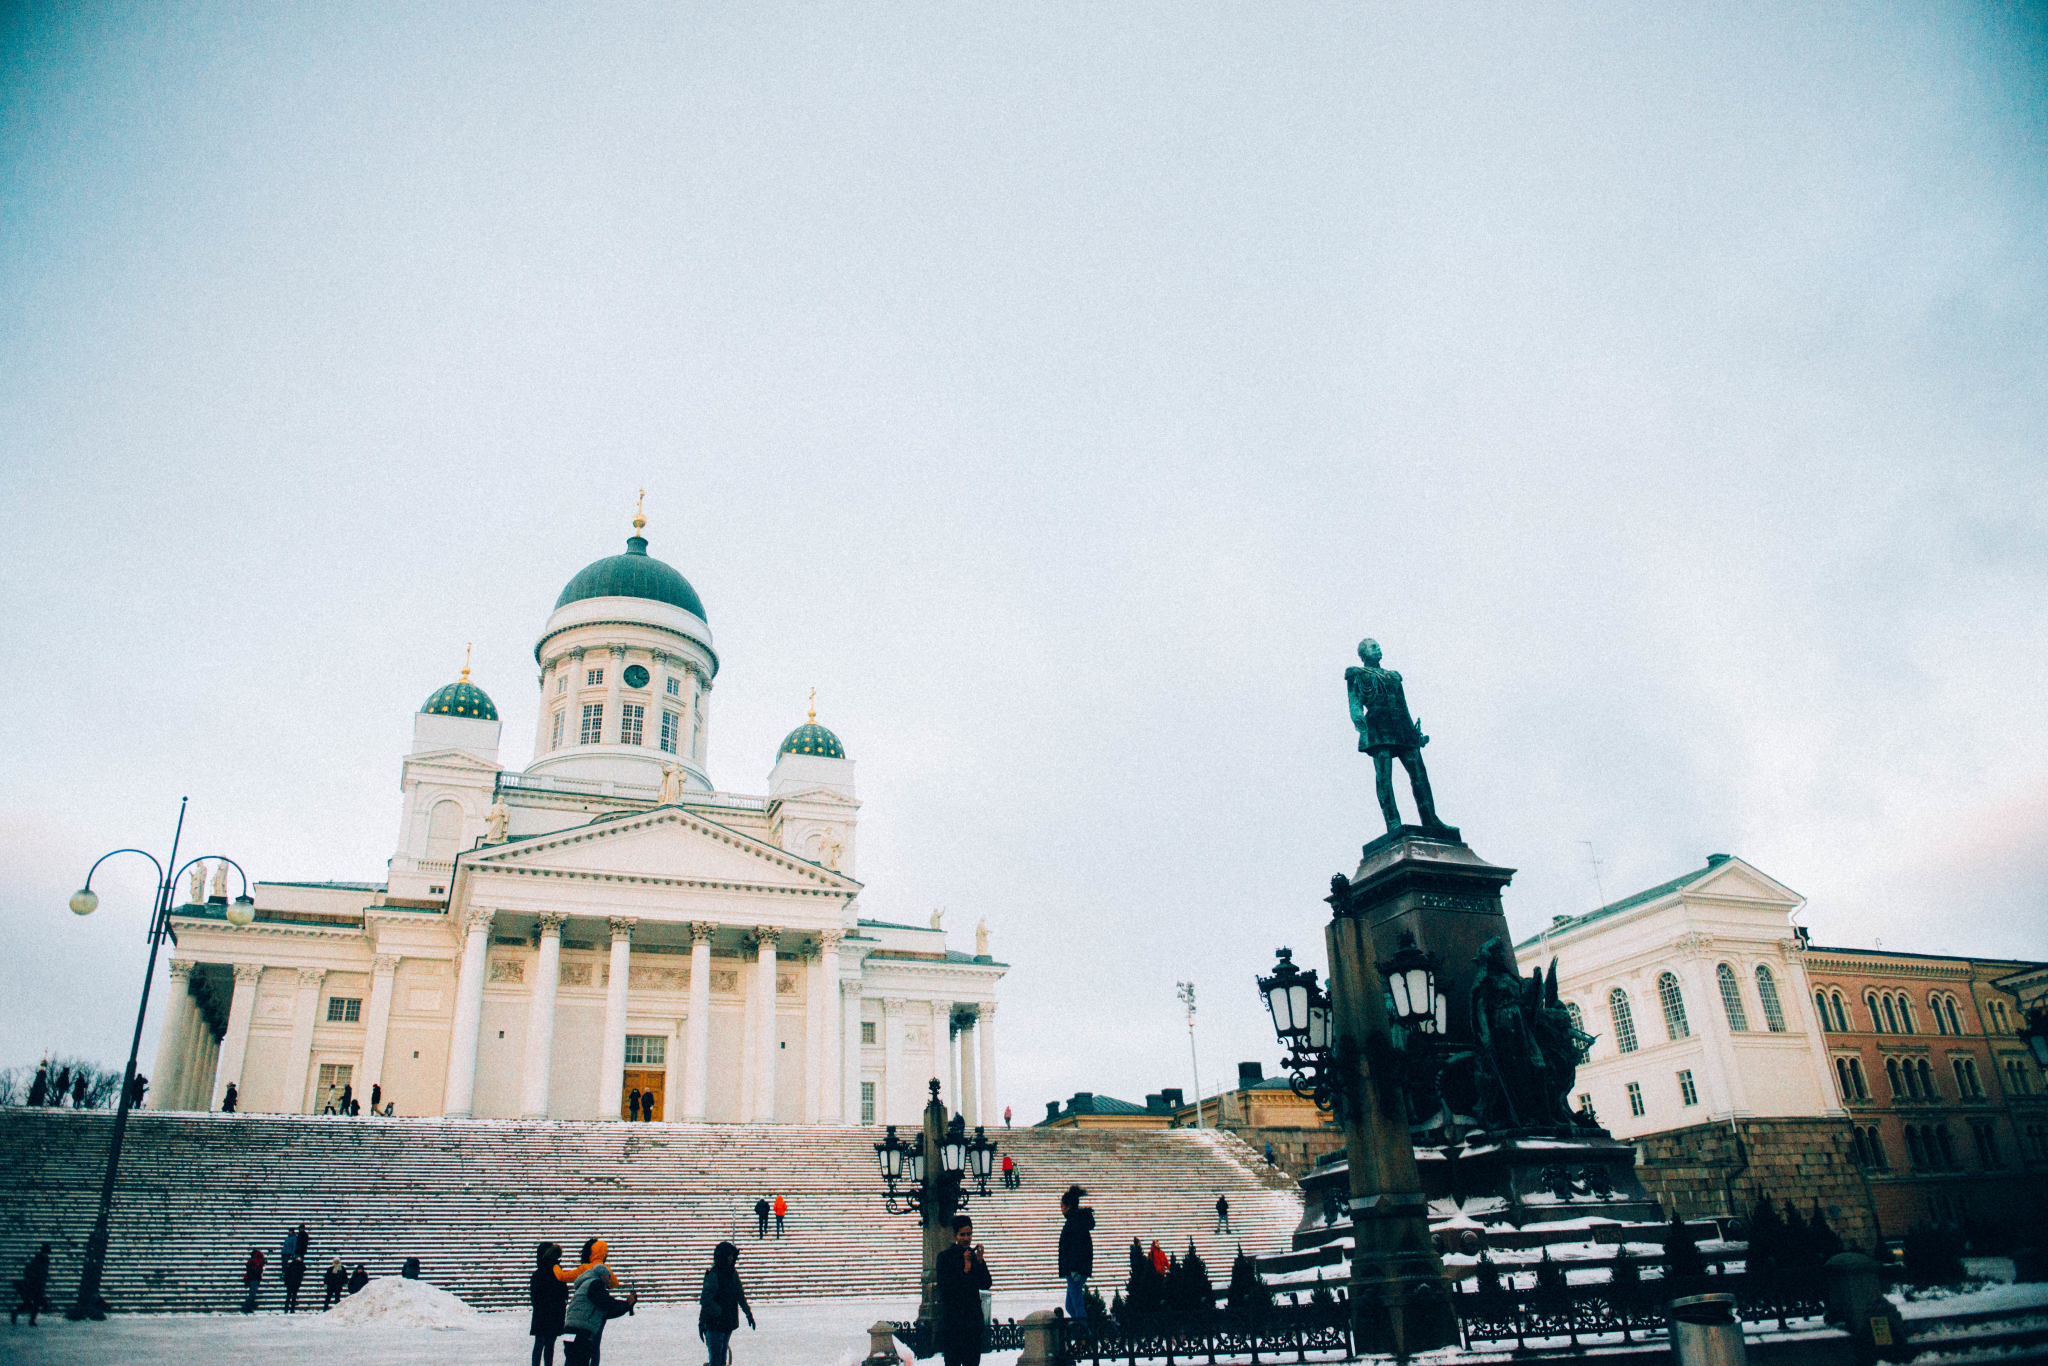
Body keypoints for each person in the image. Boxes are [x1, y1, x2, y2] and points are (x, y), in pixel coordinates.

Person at [562, 1238, 636, 1366]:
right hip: (581, 1333)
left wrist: (626, 1306)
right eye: (608, 1278)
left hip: (571, 1332)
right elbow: (607, 1304)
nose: (608, 1282)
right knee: (580, 1361)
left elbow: (605, 1311)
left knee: (572, 1361)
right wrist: (626, 1304)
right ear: (602, 1275)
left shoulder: (586, 1283)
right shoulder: (595, 1284)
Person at [936, 1215, 994, 1366]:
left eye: (969, 1234)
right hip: (953, 1323)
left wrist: (980, 1262)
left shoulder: (974, 1256)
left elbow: (986, 1283)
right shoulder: (944, 1257)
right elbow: (946, 1288)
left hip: (972, 1322)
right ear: (955, 1235)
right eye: (962, 1234)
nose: (966, 1238)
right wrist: (965, 1271)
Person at [697, 1240, 755, 1366]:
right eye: (729, 1255)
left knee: (722, 1360)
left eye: (732, 1255)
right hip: (714, 1325)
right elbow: (705, 1300)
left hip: (727, 1324)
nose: (731, 1258)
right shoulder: (714, 1275)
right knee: (716, 1361)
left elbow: (740, 1295)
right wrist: (704, 1321)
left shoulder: (732, 1274)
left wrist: (748, 1314)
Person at [1057, 1185, 1095, 1325]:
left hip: (1075, 1271)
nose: (1061, 1209)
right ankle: (1083, 1331)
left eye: (1061, 1206)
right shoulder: (1074, 1221)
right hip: (1073, 1270)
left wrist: (1075, 1269)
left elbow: (1078, 1249)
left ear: (1068, 1206)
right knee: (1070, 1306)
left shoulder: (1075, 1223)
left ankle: (1086, 1336)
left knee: (1077, 1305)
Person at [530, 1243, 569, 1366]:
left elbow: (534, 1297)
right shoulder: (557, 1272)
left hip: (541, 1314)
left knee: (539, 1344)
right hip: (554, 1314)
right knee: (549, 1346)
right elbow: (564, 1293)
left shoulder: (538, 1274)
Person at [11, 1244, 51, 1326]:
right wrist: (33, 1279)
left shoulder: (45, 1261)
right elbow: (27, 1271)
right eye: (46, 1253)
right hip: (32, 1286)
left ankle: (31, 1320)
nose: (46, 1254)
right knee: (28, 1303)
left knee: (36, 1303)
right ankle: (16, 1313)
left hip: (39, 1286)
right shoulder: (37, 1260)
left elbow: (43, 1273)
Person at [240, 1248, 266, 1313]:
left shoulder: (253, 1261)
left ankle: (247, 1307)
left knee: (252, 1294)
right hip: (254, 1279)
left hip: (252, 1278)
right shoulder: (257, 1262)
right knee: (252, 1294)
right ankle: (245, 1306)